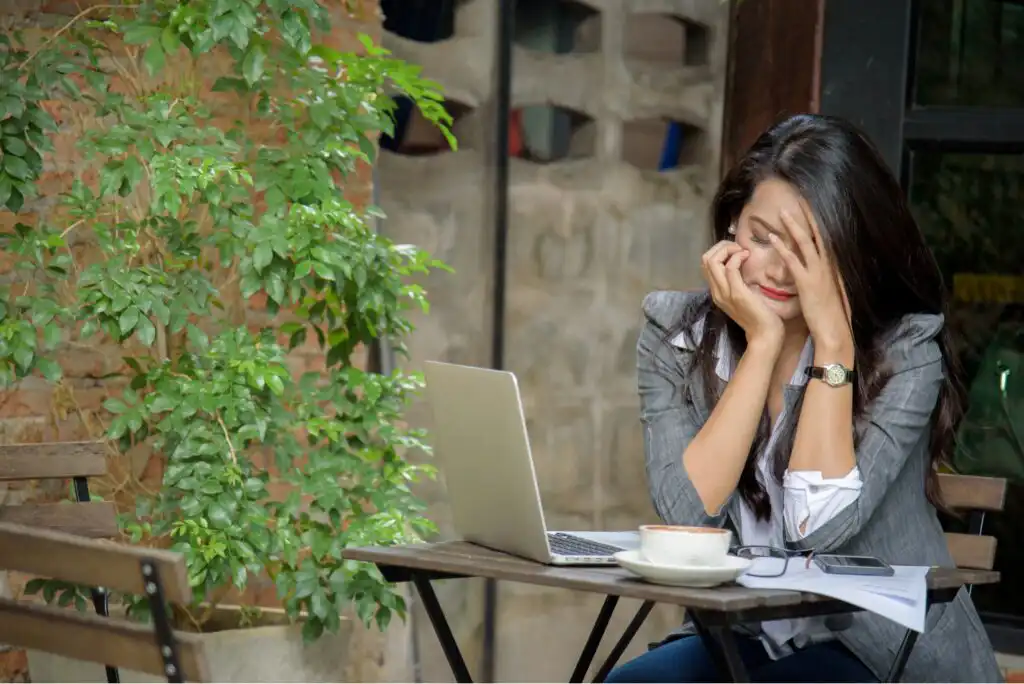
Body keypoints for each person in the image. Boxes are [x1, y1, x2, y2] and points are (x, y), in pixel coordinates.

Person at [607, 114, 1002, 683]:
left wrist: (834, 341)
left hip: (883, 653)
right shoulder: (676, 335)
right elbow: (688, 517)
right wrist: (763, 343)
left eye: (808, 249)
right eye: (761, 237)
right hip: (747, 638)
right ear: (730, 228)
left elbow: (818, 531)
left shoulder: (906, 352)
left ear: (850, 252)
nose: (776, 269)